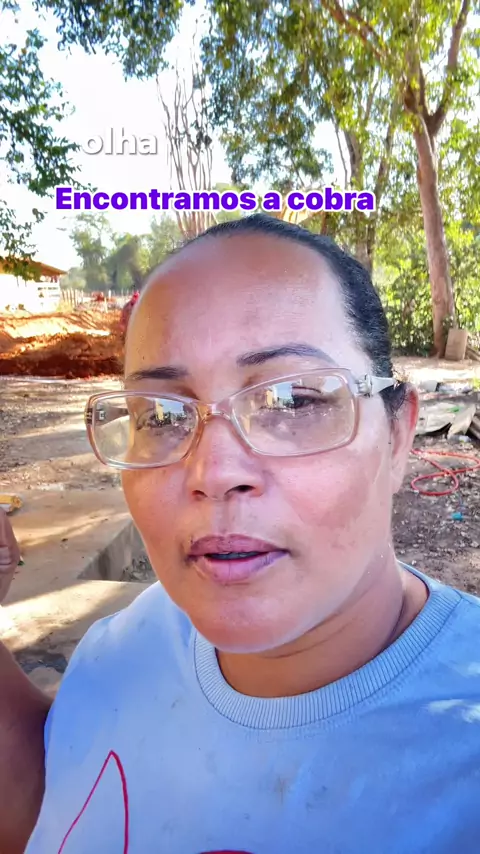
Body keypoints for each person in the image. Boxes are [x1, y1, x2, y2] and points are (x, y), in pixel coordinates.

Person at [3, 213, 480, 853]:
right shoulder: (122, 648)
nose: (214, 473)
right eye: (161, 415)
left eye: (294, 401)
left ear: (397, 435)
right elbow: (53, 814)